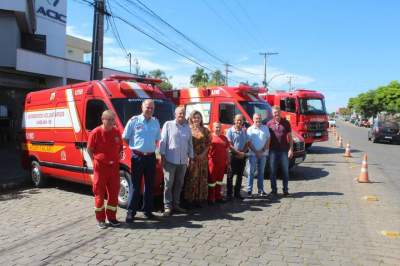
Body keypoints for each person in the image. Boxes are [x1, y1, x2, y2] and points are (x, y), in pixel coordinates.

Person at [122, 99, 161, 223]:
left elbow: (157, 140)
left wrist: (150, 149)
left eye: (152, 108)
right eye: (147, 107)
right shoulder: (134, 121)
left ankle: (147, 211)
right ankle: (131, 212)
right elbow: (125, 137)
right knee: (135, 185)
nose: (149, 110)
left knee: (149, 185)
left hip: (150, 157)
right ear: (142, 107)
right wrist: (135, 148)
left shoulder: (156, 122)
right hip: (137, 157)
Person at [87, 110, 123, 229]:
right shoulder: (96, 132)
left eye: (113, 120)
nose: (113, 122)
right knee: (99, 194)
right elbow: (89, 149)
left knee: (114, 193)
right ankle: (100, 219)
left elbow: (120, 146)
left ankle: (112, 217)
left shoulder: (117, 131)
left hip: (114, 167)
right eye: (110, 120)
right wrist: (95, 161)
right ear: (103, 120)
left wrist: (118, 155)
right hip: (100, 167)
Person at [159, 106, 194, 216]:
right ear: (175, 114)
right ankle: (167, 207)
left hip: (183, 161)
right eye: (179, 113)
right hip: (170, 160)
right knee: (168, 184)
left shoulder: (187, 127)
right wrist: (162, 156)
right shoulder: (168, 125)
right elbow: (163, 141)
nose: (181, 115)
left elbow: (190, 143)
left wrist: (191, 157)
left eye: (183, 113)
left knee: (179, 183)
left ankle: (176, 204)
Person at [183, 110, 211, 208]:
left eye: (198, 117)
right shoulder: (188, 129)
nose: (196, 119)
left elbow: (208, 144)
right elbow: (185, 144)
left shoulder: (206, 130)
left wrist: (203, 154)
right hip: (192, 158)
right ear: (191, 119)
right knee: (192, 178)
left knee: (202, 179)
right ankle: (190, 200)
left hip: (202, 159)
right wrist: (193, 154)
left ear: (201, 119)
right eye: (194, 117)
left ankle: (200, 199)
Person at [267, 106, 293, 197]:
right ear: (272, 113)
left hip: (284, 151)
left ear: (280, 112)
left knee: (285, 171)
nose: (276, 114)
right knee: (272, 172)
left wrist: (291, 149)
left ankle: (285, 190)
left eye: (277, 112)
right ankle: (274, 190)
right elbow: (266, 138)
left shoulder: (286, 123)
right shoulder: (269, 124)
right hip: (272, 151)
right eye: (274, 112)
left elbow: (290, 137)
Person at [247, 113, 270, 197]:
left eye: (259, 118)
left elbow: (268, 140)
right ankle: (249, 190)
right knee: (251, 172)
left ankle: (261, 190)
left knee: (261, 172)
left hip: (263, 154)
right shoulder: (249, 129)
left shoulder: (265, 128)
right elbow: (248, 143)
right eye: (256, 119)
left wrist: (262, 150)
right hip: (252, 154)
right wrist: (256, 152)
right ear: (253, 119)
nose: (258, 120)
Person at [226, 114, 248, 200]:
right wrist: (238, 153)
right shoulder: (230, 131)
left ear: (243, 121)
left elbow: (247, 143)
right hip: (233, 155)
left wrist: (243, 152)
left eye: (241, 120)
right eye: (237, 120)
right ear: (234, 120)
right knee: (230, 176)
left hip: (242, 156)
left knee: (240, 176)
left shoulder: (244, 131)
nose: (239, 122)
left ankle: (237, 193)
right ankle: (229, 194)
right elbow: (230, 145)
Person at [208, 122, 230, 204]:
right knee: (211, 181)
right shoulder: (210, 137)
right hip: (212, 163)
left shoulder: (224, 138)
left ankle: (218, 196)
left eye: (219, 127)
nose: (218, 129)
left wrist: (228, 161)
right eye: (216, 127)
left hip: (222, 163)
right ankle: (211, 198)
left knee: (219, 180)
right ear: (213, 128)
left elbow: (227, 150)